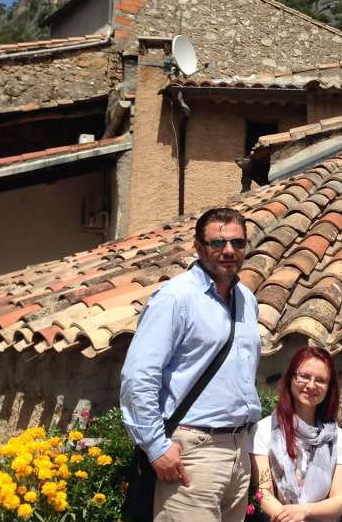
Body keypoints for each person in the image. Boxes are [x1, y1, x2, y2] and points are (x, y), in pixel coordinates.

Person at [119, 207, 262, 522]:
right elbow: (138, 378)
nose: (228, 251)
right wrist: (156, 447)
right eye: (218, 243)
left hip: (238, 451)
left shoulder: (247, 300)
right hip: (191, 450)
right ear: (199, 247)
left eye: (237, 243)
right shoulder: (176, 298)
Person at [252, 346, 342, 522]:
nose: (311, 385)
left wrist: (304, 511)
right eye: (304, 376)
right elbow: (262, 491)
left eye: (320, 380)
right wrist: (289, 518)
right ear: (291, 379)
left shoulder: (337, 438)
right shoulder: (263, 430)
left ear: (329, 388)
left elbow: (339, 500)